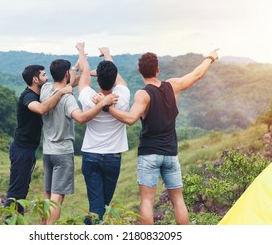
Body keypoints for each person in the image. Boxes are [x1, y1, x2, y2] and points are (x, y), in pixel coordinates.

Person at [108, 48, 220, 225]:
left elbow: (130, 119)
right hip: (170, 153)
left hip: (149, 154)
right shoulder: (173, 86)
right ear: (157, 69)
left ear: (139, 71)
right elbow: (197, 74)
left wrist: (107, 108)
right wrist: (210, 58)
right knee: (178, 201)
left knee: (147, 201)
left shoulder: (143, 94)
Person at [40, 58, 118, 225]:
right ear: (66, 74)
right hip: (62, 153)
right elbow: (81, 118)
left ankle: (41, 228)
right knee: (57, 197)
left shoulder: (45, 89)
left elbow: (74, 83)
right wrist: (103, 103)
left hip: (47, 151)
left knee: (47, 196)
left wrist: (80, 67)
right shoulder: (68, 99)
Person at [4, 65, 72, 215]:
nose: (47, 78)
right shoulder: (28, 96)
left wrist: (79, 66)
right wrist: (61, 92)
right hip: (21, 150)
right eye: (43, 75)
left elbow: (67, 84)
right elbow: (41, 109)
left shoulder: (41, 92)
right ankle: (10, 223)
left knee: (22, 189)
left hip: (28, 150)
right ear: (35, 79)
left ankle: (16, 221)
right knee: (16, 192)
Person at [74, 42, 130, 224]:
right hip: (113, 157)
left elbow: (83, 73)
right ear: (114, 80)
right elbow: (116, 76)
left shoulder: (88, 96)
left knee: (99, 206)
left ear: (97, 80)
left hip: (91, 155)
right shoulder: (123, 95)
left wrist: (81, 51)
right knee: (101, 205)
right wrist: (107, 53)